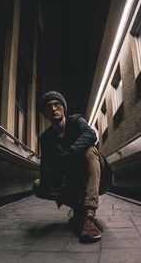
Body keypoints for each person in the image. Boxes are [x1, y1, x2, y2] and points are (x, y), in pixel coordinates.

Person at [33, 91, 103, 243]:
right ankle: (79, 208)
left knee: (90, 150)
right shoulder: (46, 138)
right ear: (45, 113)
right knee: (38, 185)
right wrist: (57, 175)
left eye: (57, 105)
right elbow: (46, 167)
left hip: (92, 177)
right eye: (48, 106)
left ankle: (89, 214)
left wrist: (70, 154)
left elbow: (91, 135)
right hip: (68, 181)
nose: (53, 109)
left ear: (63, 108)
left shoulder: (76, 121)